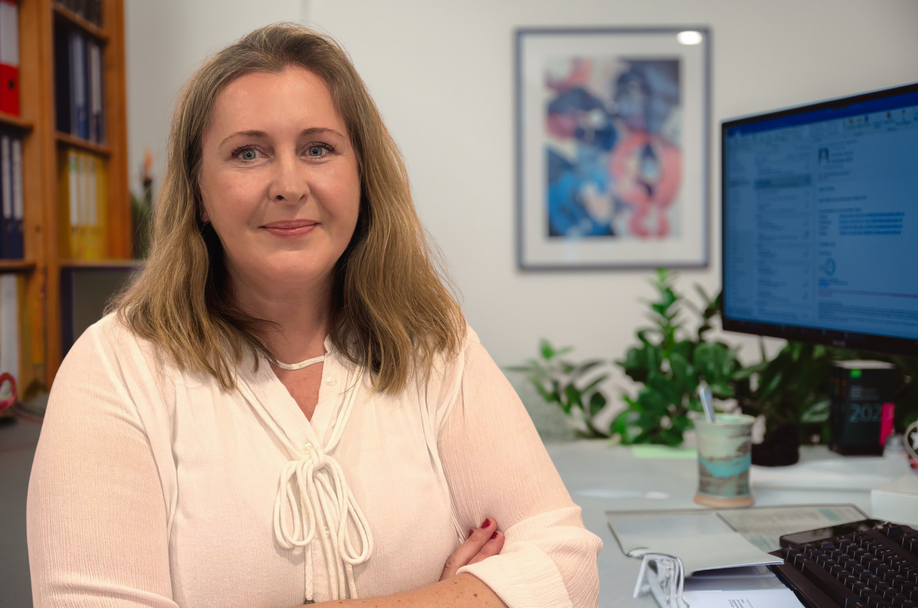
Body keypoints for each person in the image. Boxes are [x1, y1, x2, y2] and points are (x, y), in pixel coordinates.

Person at [27, 23, 602, 608]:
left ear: (361, 175)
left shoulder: (433, 346)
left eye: (318, 149)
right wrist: (457, 596)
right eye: (248, 153)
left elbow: (568, 568)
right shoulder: (116, 369)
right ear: (199, 192)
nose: (288, 185)